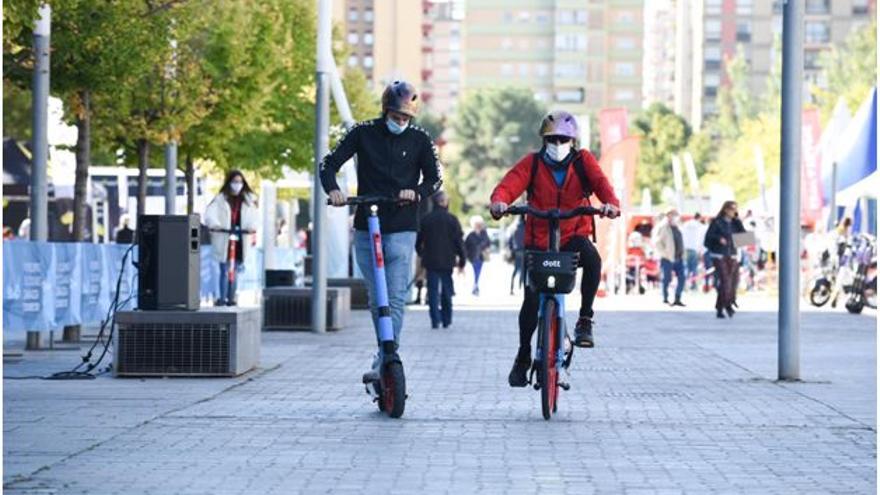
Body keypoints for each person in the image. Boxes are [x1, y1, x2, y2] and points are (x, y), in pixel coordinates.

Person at [321, 80, 442, 382]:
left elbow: (435, 178)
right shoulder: (362, 132)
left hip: (402, 227)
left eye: (406, 118)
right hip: (367, 225)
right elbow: (328, 164)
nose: (401, 123)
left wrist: (416, 191)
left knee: (396, 297)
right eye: (396, 116)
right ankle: (383, 350)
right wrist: (334, 190)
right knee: (378, 298)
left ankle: (389, 354)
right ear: (386, 110)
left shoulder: (419, 140)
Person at [489, 110, 620, 387]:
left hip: (572, 234)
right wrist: (500, 202)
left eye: (563, 139)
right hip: (539, 239)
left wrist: (610, 204)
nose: (558, 145)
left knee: (593, 260)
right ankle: (523, 355)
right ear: (543, 140)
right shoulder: (533, 163)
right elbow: (510, 183)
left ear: (573, 141)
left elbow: (601, 184)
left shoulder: (583, 161)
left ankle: (585, 319)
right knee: (531, 300)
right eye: (552, 139)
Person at [204, 170, 259, 306]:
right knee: (224, 268)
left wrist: (252, 227)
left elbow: (254, 217)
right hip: (224, 235)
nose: (237, 185)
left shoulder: (248, 200)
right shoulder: (220, 199)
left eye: (240, 182)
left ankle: (232, 297)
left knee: (235, 268)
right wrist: (215, 225)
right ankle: (222, 298)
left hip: (241, 236)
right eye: (235, 182)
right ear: (229, 183)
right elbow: (210, 214)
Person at [416, 192, 465, 329]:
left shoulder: (426, 219)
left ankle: (435, 320)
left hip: (430, 260)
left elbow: (418, 241)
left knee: (432, 291)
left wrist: (422, 254)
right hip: (447, 261)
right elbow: (458, 242)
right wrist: (462, 260)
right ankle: (446, 319)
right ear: (443, 202)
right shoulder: (452, 220)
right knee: (446, 290)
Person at [704, 200, 745, 318]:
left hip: (732, 254)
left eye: (735, 209)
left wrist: (739, 223)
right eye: (732, 209)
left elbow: (744, 238)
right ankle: (727, 305)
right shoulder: (717, 222)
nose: (734, 211)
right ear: (725, 209)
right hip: (719, 255)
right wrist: (719, 239)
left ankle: (719, 307)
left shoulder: (736, 223)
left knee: (732, 282)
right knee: (725, 281)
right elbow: (708, 239)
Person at [653, 208, 686, 306]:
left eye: (676, 215)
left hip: (679, 257)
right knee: (666, 278)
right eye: (672, 214)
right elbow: (657, 243)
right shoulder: (663, 227)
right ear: (668, 215)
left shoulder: (678, 227)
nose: (674, 217)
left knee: (682, 278)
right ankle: (665, 297)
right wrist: (665, 253)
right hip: (667, 257)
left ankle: (677, 297)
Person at [464, 216, 491, 296]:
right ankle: (475, 286)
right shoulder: (470, 234)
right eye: (477, 224)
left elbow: (488, 242)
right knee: (475, 271)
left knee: (478, 271)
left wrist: (484, 247)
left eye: (480, 224)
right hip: (472, 256)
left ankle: (476, 285)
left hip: (481, 256)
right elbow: (465, 245)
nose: (479, 225)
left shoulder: (484, 233)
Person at [681, 212, 706, 290]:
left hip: (685, 249)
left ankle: (683, 285)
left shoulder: (685, 224)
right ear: (699, 218)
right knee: (694, 268)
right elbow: (702, 239)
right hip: (694, 249)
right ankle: (693, 285)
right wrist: (701, 250)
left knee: (685, 268)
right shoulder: (700, 226)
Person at [508, 217, 526, 295]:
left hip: (516, 251)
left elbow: (509, 241)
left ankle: (512, 288)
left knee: (515, 270)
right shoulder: (526, 227)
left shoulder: (513, 227)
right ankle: (521, 288)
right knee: (523, 270)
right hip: (524, 250)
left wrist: (512, 250)